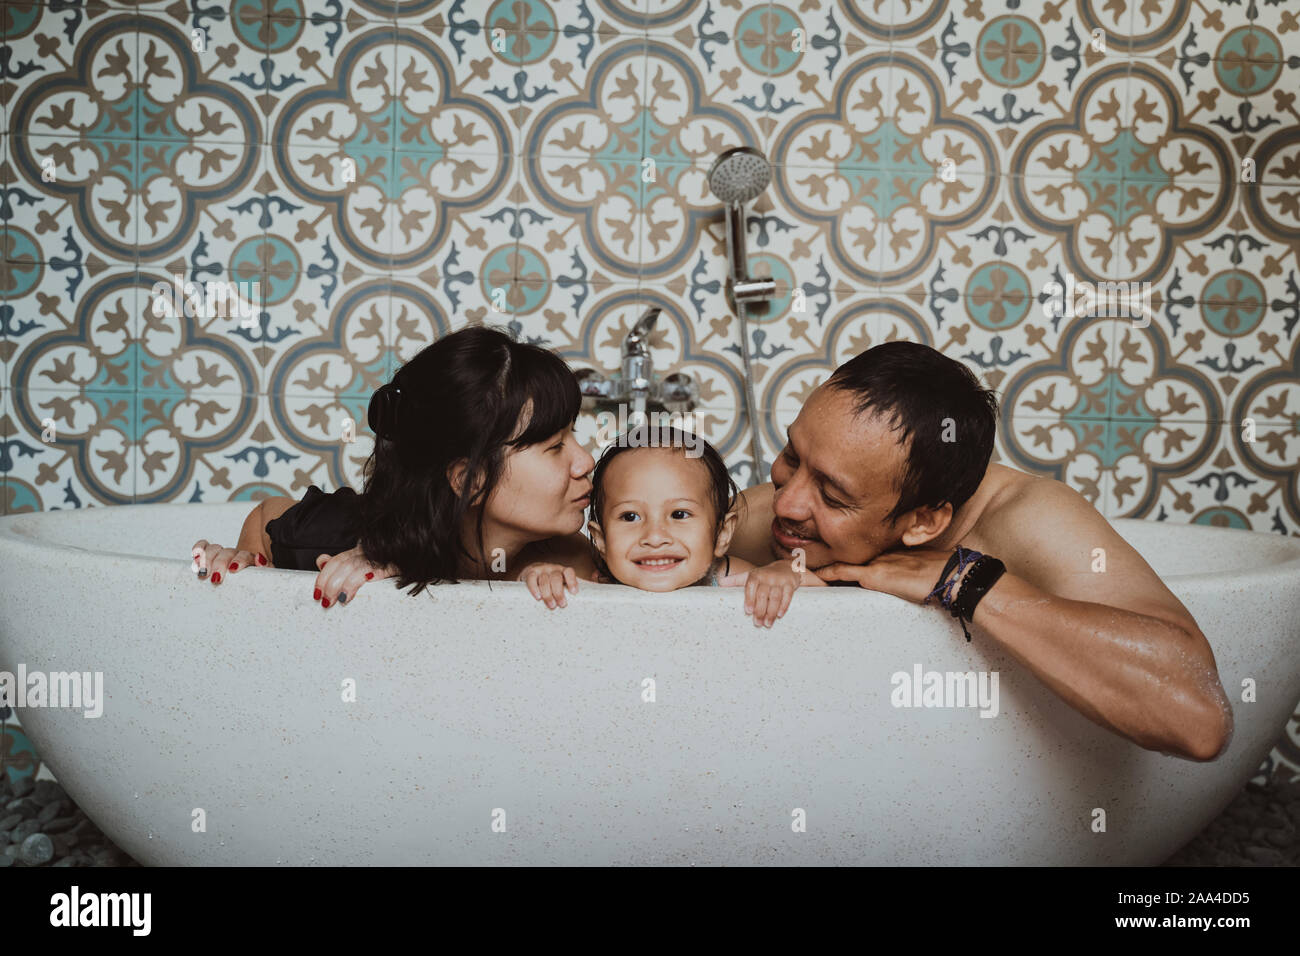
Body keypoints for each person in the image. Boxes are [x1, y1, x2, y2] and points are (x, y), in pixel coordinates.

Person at [722, 340, 1234, 762]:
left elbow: (1199, 719)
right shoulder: (782, 510)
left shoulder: (1030, 519)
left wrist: (967, 581)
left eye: (833, 496)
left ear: (924, 521)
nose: (785, 501)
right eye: (791, 455)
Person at [189, 325, 596, 604]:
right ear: (469, 480)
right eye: (556, 445)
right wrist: (246, 572)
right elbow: (267, 516)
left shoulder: (568, 560)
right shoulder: (333, 541)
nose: (586, 460)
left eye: (574, 435)